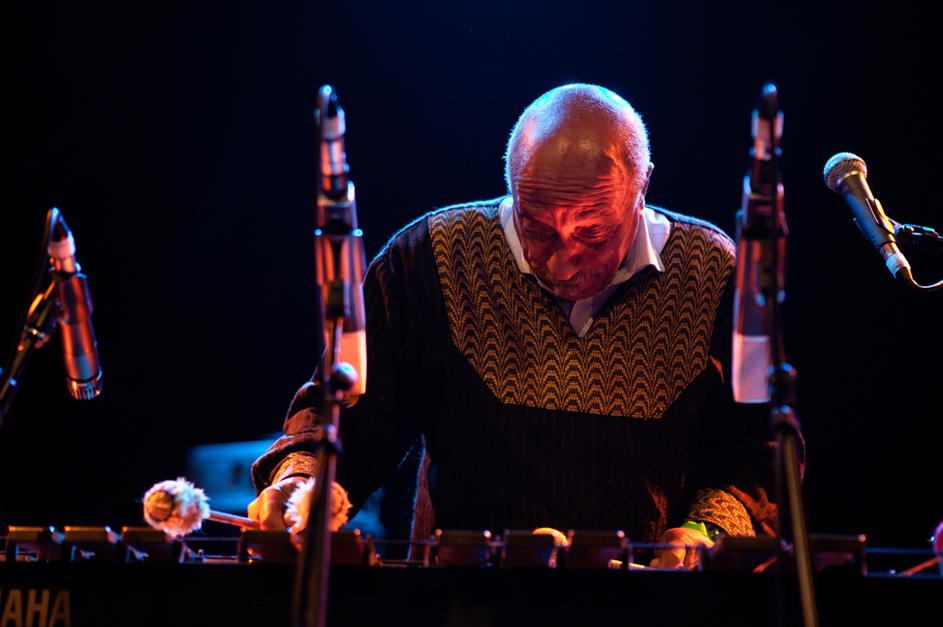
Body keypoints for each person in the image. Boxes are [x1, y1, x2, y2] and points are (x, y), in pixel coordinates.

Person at [249, 83, 791, 569]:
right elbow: (344, 423)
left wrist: (705, 534)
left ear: (642, 185)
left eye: (592, 233)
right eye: (537, 228)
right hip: (463, 601)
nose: (562, 263)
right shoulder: (431, 259)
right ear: (511, 181)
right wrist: (299, 484)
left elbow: (757, 455)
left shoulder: (712, 273)